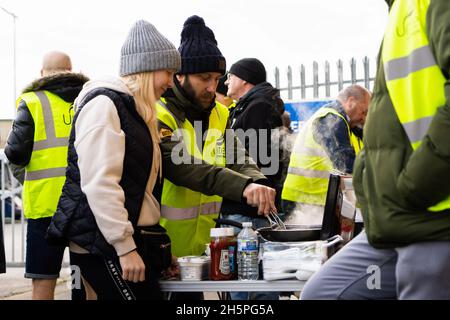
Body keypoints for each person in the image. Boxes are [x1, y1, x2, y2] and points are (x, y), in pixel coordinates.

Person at [301, 0, 450, 300]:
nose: (365, 118)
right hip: (395, 217)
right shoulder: (401, 9)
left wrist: (414, 186)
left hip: (430, 217)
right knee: (320, 294)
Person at [47, 20, 181, 300]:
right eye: (167, 72)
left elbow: (139, 191)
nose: (171, 82)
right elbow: (100, 184)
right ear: (146, 69)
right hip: (102, 244)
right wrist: (125, 247)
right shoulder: (104, 105)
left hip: (120, 239)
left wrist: (157, 249)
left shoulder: (135, 111)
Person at [157, 16, 277, 261]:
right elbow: (184, 167)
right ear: (180, 76)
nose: (213, 87)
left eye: (217, 78)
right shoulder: (159, 112)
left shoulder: (220, 114)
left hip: (204, 248)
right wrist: (244, 186)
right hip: (162, 246)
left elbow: (238, 157)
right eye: (204, 78)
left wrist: (258, 181)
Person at [4, 51, 88, 299]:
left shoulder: (32, 102)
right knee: (84, 281)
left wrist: (35, 180)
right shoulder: (90, 99)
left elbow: (15, 154)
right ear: (72, 70)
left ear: (42, 73)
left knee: (44, 282)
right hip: (83, 207)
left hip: (44, 209)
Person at [281, 84, 370, 224]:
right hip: (304, 202)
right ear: (351, 101)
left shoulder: (345, 124)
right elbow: (345, 163)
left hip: (316, 201)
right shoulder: (330, 119)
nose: (364, 118)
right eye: (364, 112)